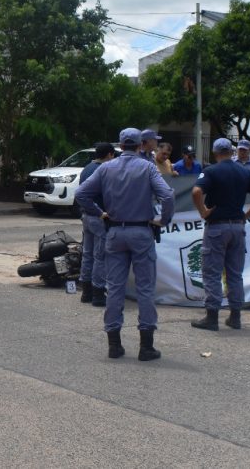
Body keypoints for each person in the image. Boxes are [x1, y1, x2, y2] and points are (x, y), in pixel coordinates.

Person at [76, 127, 175, 361]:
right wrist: (164, 221)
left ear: (120, 146)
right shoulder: (147, 167)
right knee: (145, 289)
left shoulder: (106, 168)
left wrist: (101, 213)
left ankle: (114, 344)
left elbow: (81, 194)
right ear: (141, 145)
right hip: (141, 232)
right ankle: (146, 347)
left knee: (116, 288)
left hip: (115, 232)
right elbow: (168, 196)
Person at [190, 138, 250, 331]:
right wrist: (247, 215)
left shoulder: (211, 171)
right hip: (237, 227)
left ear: (215, 152)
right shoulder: (245, 171)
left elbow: (196, 191)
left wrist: (203, 211)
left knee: (212, 272)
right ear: (231, 151)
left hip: (217, 227)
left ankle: (212, 316)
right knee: (235, 274)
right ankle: (235, 317)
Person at [76, 142, 116, 305]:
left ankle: (86, 292)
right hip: (100, 217)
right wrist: (102, 212)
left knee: (88, 254)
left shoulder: (87, 168)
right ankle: (98, 294)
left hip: (86, 216)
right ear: (109, 155)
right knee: (100, 256)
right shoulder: (103, 170)